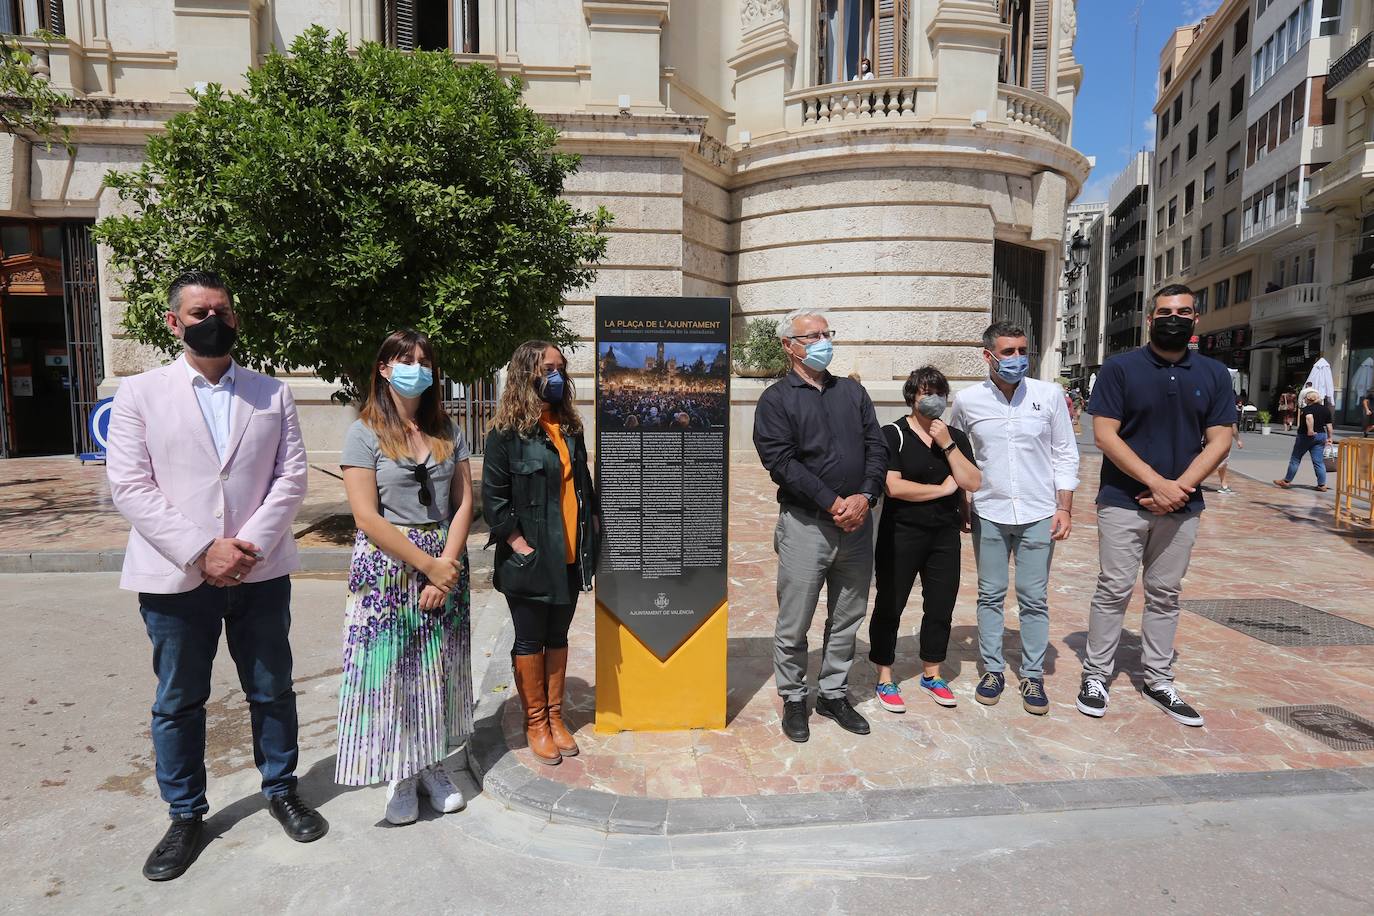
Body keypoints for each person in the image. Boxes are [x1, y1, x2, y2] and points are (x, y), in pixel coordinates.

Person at [106, 270, 326, 882]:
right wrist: (203, 550)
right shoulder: (140, 393)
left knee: (271, 687)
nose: (214, 321)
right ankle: (185, 815)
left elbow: (291, 478)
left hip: (259, 571)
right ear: (175, 323)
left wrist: (245, 546)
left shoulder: (271, 394)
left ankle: (281, 789)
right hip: (175, 577)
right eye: (200, 312)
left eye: (223, 311)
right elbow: (129, 485)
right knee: (179, 700)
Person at [1077, 284, 1235, 728]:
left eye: (1183, 311)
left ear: (1195, 319)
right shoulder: (1120, 368)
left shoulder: (1214, 373)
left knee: (1166, 593)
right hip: (1123, 502)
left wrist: (1177, 489)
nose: (1173, 318)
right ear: (1150, 319)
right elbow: (1105, 434)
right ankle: (1096, 675)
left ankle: (1158, 679)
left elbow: (1219, 439)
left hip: (1182, 506)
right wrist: (1156, 483)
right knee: (1113, 589)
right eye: (1165, 311)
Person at [336, 330, 474, 825]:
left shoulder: (448, 432)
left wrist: (444, 570)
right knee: (394, 672)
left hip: (444, 561)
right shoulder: (364, 433)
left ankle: (432, 764)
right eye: (405, 359)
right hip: (388, 564)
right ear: (384, 369)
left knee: (434, 669)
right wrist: (426, 565)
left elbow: (463, 505)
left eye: (424, 360)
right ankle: (400, 772)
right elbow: (367, 517)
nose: (416, 367)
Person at [753, 308, 887, 743]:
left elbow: (876, 447)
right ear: (788, 346)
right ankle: (795, 698)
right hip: (807, 526)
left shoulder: (852, 392)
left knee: (847, 617)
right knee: (795, 622)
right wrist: (833, 502)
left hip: (857, 525)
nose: (822, 341)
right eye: (811, 336)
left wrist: (864, 497)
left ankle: (832, 693)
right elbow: (781, 463)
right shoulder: (776, 400)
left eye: (827, 333)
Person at [950, 322, 1080, 715]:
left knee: (1033, 597)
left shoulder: (1049, 395)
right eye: (1008, 352)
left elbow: (1065, 453)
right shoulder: (968, 400)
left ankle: (1033, 674)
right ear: (987, 355)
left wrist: (1065, 506)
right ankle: (992, 669)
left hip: (1039, 512)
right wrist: (963, 502)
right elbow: (956, 455)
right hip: (989, 511)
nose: (1017, 359)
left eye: (1022, 350)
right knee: (990, 594)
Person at [483, 341, 597, 766]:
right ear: (526, 374)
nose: (558, 375)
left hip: (569, 556)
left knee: (558, 636)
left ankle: (555, 715)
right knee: (531, 639)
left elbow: (582, 492)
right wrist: (520, 547)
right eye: (549, 367)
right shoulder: (504, 436)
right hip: (530, 559)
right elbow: (493, 503)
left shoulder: (569, 428)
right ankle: (536, 722)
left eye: (562, 368)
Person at [869, 367, 981, 714]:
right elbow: (894, 487)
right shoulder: (894, 434)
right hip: (900, 532)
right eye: (925, 392)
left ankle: (932, 672)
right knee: (891, 604)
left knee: (941, 604)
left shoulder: (955, 437)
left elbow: (972, 481)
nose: (933, 399)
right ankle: (885, 674)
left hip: (944, 534)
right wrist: (942, 490)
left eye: (939, 392)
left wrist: (946, 443)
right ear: (912, 397)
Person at [1274, 389, 1334, 492]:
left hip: (1305, 436)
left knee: (1296, 459)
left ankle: (1287, 481)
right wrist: (1330, 438)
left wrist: (1310, 430)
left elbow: (1309, 418)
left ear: (1310, 399)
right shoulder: (1325, 410)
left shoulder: (1307, 409)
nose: (1304, 399)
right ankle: (1322, 484)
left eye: (1305, 397)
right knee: (1318, 461)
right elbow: (1329, 426)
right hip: (1321, 436)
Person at [1211, 412, 1243, 494]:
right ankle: (1192, 481)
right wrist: (1238, 440)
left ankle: (1224, 485)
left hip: (1210, 439)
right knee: (1219, 464)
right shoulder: (1228, 409)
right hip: (1223, 441)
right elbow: (1234, 428)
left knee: (1223, 465)